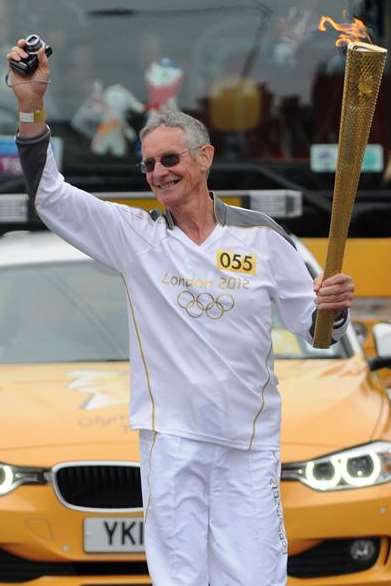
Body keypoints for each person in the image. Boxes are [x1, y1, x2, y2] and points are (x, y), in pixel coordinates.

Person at [7, 40, 354, 586]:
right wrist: (31, 102)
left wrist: (331, 308)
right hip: (172, 440)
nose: (159, 173)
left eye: (170, 159)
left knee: (256, 576)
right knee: (179, 579)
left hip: (248, 442)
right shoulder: (135, 238)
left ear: (204, 157)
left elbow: (316, 331)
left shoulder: (262, 239)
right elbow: (49, 195)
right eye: (148, 165)